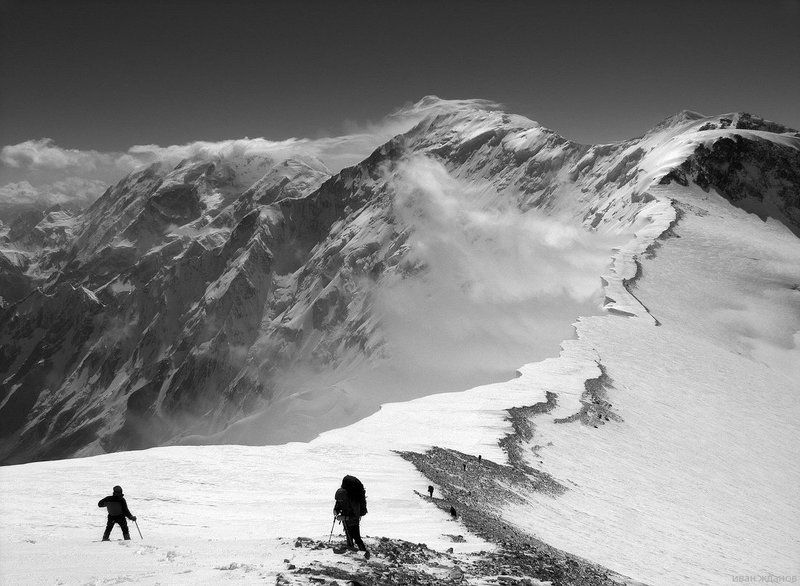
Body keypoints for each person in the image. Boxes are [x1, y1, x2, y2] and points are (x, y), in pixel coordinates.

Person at [333, 475, 370, 559]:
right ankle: (356, 551)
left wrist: (343, 517)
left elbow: (355, 515)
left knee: (356, 536)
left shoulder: (353, 499)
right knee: (350, 535)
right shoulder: (345, 495)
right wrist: (336, 510)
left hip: (352, 520)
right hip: (347, 519)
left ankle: (363, 553)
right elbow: (338, 504)